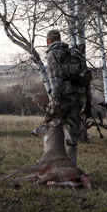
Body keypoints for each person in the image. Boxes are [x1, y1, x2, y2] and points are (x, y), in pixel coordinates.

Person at [44, 29, 86, 164]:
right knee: (72, 132)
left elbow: (54, 77)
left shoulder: (52, 53)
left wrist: (55, 100)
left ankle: (53, 162)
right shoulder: (74, 53)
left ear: (48, 41)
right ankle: (71, 164)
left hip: (63, 97)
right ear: (60, 39)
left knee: (52, 127)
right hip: (78, 96)